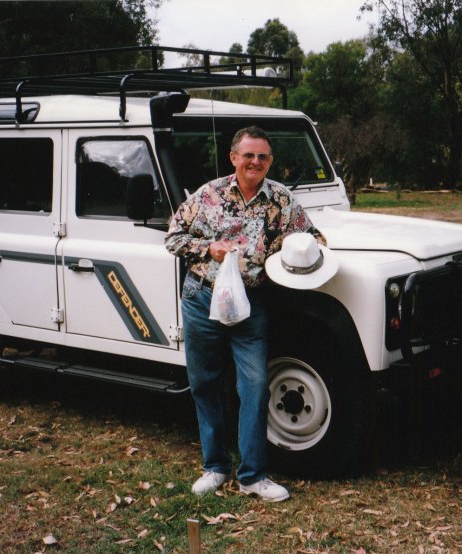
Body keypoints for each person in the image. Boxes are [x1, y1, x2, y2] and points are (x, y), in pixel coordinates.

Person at [165, 126, 325, 502]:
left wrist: (287, 247)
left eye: (262, 156)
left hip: (250, 303)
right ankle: (215, 467)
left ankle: (253, 476)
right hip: (203, 298)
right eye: (248, 155)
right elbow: (173, 237)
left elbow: (314, 238)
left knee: (254, 385)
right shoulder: (208, 194)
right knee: (205, 383)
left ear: (270, 161)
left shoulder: (281, 199)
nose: (255, 162)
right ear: (233, 157)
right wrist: (209, 248)